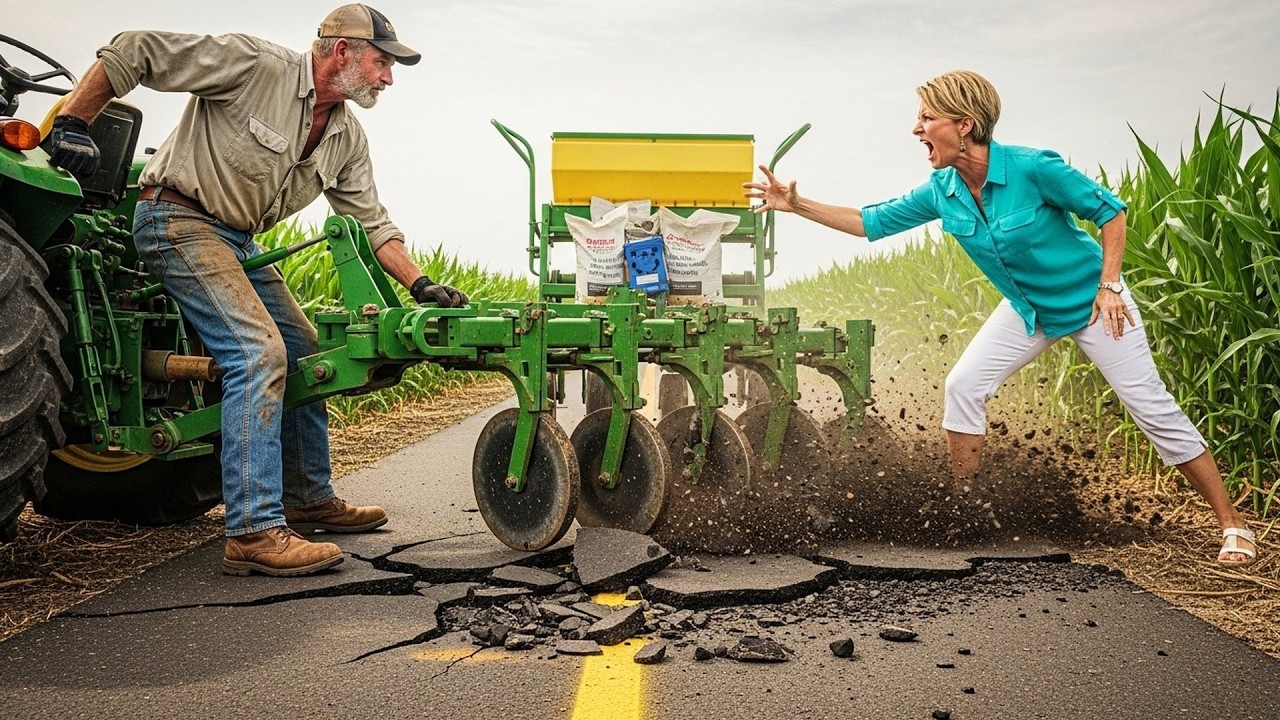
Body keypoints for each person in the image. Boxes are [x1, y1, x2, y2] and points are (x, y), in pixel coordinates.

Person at [744, 70, 1257, 567]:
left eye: (927, 118)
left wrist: (1110, 286)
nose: (916, 128)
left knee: (1152, 409)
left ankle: (1233, 524)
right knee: (964, 385)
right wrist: (797, 204)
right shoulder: (942, 189)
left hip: (1092, 305)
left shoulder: (1033, 168)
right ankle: (966, 506)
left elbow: (1111, 211)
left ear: (964, 124)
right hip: (1027, 310)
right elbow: (869, 222)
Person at [46, 4, 470, 577]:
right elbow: (137, 49)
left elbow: (372, 224)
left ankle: (306, 497)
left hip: (237, 242)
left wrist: (421, 284)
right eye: (382, 63)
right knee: (256, 353)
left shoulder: (345, 136)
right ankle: (252, 531)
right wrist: (73, 121)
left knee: (304, 350)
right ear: (341, 51)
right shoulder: (255, 65)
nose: (388, 78)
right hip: (177, 221)